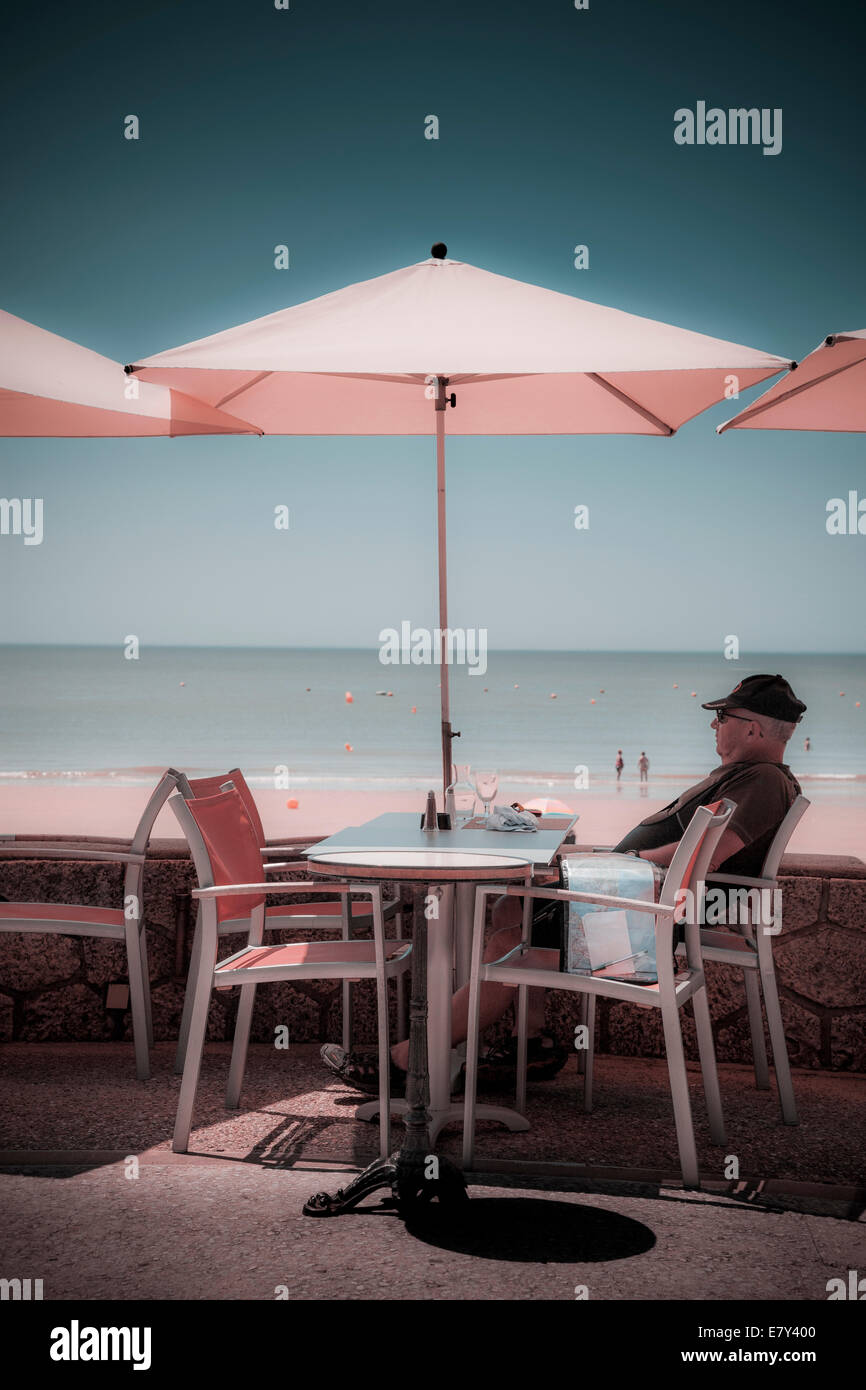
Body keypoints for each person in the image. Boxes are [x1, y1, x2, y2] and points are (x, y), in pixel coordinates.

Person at [321, 673, 806, 1096]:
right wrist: (600, 867)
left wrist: (618, 863)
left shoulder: (762, 781)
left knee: (511, 952)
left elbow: (695, 862)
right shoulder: (752, 777)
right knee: (512, 907)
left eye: (721, 717)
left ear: (752, 727)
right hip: (636, 903)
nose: (715, 726)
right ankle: (531, 1045)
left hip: (641, 921)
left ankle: (411, 1060)